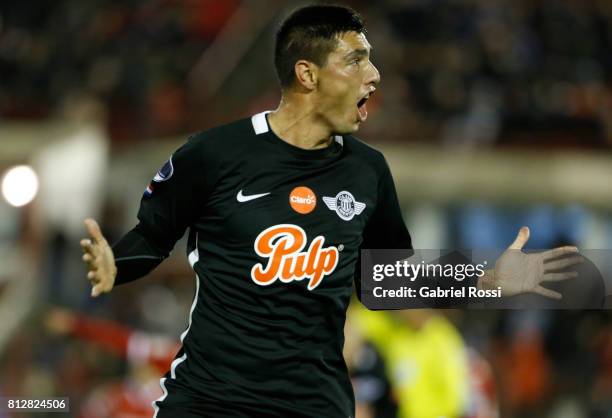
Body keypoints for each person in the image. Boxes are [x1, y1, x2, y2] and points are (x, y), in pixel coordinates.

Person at [80, 5, 582, 417]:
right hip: (211, 401)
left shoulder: (368, 172)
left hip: (313, 405)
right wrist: (117, 264)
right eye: (357, 60)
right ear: (307, 75)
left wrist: (487, 280)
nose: (375, 74)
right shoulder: (212, 155)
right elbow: (152, 235)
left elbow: (386, 282)